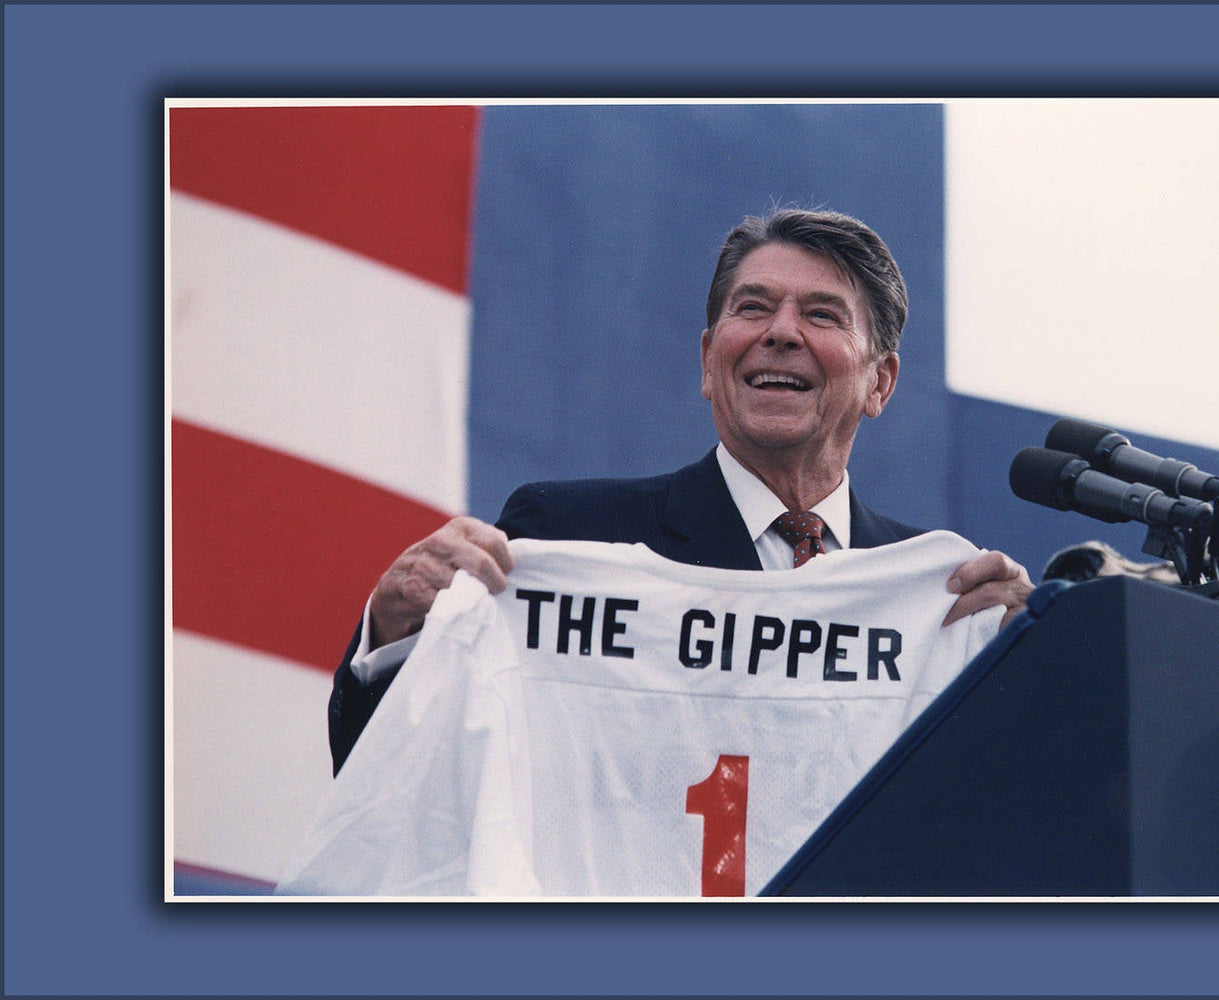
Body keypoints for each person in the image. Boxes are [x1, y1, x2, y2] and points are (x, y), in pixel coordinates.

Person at [327, 208, 1034, 773]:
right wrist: (395, 633)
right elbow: (401, 774)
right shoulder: (569, 532)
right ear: (708, 360)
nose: (780, 332)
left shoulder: (942, 594)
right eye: (753, 307)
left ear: (879, 382)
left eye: (821, 315)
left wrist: (1031, 663)